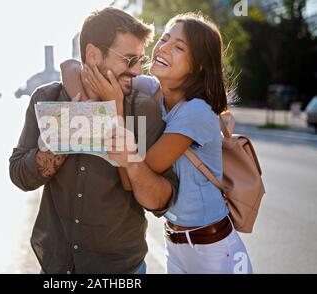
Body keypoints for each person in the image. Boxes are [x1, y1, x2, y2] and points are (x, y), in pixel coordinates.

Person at [62, 12, 253, 274]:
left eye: (179, 47)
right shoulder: (154, 90)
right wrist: (83, 100)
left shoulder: (195, 112)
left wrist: (114, 105)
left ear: (198, 65)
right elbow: (72, 67)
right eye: (164, 39)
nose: (163, 48)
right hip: (175, 245)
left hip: (214, 250)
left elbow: (134, 176)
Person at [9, 7, 178, 274]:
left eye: (140, 61)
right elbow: (20, 176)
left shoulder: (143, 109)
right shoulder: (47, 99)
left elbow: (160, 202)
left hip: (122, 271)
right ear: (92, 54)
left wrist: (132, 161)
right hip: (56, 268)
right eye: (129, 59)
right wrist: (67, 131)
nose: (136, 71)